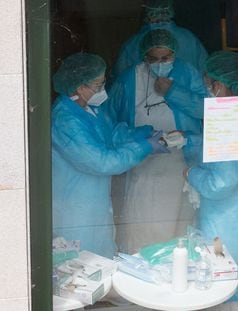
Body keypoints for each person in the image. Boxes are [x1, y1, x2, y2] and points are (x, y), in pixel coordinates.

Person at [52, 52, 168, 258]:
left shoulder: (88, 109)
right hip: (75, 208)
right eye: (98, 85)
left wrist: (145, 133)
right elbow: (102, 162)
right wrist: (144, 147)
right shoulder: (65, 120)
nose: (102, 89)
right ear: (80, 87)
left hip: (94, 202)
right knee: (80, 269)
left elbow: (113, 133)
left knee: (100, 260)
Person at [107, 28, 207, 254]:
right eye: (154, 59)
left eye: (166, 58)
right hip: (143, 164)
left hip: (181, 163)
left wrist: (173, 92)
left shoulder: (187, 73)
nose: (161, 63)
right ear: (144, 57)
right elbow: (110, 122)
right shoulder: (128, 80)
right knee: (143, 222)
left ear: (175, 54)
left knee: (178, 225)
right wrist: (139, 139)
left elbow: (206, 109)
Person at [184, 51, 238, 301]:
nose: (207, 88)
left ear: (219, 84)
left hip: (226, 225)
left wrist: (191, 173)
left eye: (209, 83)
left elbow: (220, 183)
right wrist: (189, 140)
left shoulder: (228, 116)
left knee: (223, 286)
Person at [110, 0, 208, 82]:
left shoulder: (133, 42)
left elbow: (119, 79)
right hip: (187, 100)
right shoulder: (188, 37)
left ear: (147, 13)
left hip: (142, 102)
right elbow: (205, 72)